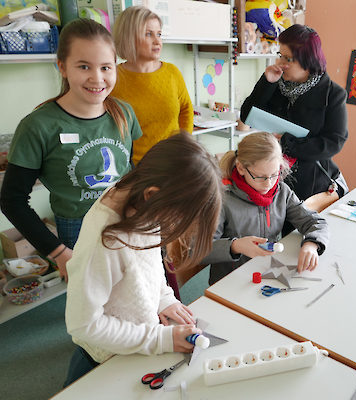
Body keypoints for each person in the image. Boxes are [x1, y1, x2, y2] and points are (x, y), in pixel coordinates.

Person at [64, 133, 223, 385]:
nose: (174, 228)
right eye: (179, 220)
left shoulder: (145, 202)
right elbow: (83, 324)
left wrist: (163, 299)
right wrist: (161, 339)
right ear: (153, 195)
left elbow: (148, 263)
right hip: (104, 361)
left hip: (137, 345)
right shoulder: (107, 240)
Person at [0, 19, 142, 280]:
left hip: (124, 217)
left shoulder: (124, 113)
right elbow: (12, 200)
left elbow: (129, 169)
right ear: (62, 67)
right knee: (91, 305)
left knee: (132, 288)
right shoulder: (38, 126)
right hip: (77, 227)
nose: (97, 78)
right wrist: (58, 252)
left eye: (106, 67)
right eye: (84, 66)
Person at [202, 132, 329, 285]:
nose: (269, 184)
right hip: (230, 282)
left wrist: (312, 244)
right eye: (261, 177)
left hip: (266, 273)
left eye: (275, 174)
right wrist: (235, 246)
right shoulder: (222, 199)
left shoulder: (281, 191)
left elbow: (316, 221)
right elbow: (198, 251)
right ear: (241, 168)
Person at [240, 24, 349, 202]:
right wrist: (266, 83)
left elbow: (334, 142)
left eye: (288, 59)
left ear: (308, 61)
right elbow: (246, 116)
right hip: (270, 176)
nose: (281, 63)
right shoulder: (276, 83)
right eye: (280, 55)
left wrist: (287, 143)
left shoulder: (333, 94)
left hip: (310, 183)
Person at [111, 5, 194, 166]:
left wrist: (184, 146)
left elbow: (186, 110)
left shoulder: (172, 72)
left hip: (174, 160)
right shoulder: (113, 78)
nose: (157, 41)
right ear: (129, 37)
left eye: (159, 34)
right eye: (148, 34)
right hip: (135, 167)